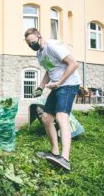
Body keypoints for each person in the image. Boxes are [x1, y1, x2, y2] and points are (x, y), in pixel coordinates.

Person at [24, 28, 81, 171]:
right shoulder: (40, 54)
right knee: (46, 118)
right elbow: (50, 71)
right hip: (57, 86)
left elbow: (73, 63)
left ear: (39, 37)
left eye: (32, 42)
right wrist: (41, 87)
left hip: (68, 84)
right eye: (28, 44)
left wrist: (59, 82)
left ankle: (65, 159)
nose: (31, 45)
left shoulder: (53, 47)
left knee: (62, 117)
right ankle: (54, 152)